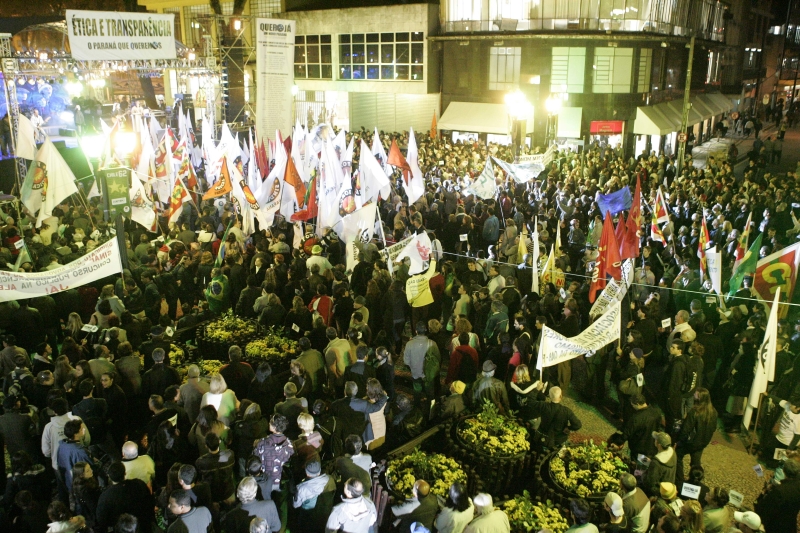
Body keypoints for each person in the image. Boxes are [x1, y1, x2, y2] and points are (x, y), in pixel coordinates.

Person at [675, 387, 717, 483]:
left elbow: (685, 430)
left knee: (678, 456)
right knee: (696, 461)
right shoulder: (713, 411)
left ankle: (680, 480)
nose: (694, 395)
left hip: (691, 443)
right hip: (703, 442)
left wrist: (678, 442)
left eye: (696, 394)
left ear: (699, 398)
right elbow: (714, 428)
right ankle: (695, 479)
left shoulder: (695, 412)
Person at [754, 457, 800, 533]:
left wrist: (764, 493)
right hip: (790, 523)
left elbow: (766, 509)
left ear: (784, 471)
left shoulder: (779, 491)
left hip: (776, 526)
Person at [621, 393, 663, 461]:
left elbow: (627, 432)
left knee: (637, 469)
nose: (633, 407)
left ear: (637, 404)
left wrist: (619, 441)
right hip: (652, 449)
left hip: (639, 450)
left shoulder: (637, 418)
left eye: (633, 405)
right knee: (644, 467)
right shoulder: (656, 413)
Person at [642, 432, 677, 497]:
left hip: (658, 491)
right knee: (642, 459)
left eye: (656, 440)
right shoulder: (673, 453)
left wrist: (643, 475)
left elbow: (650, 483)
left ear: (659, 445)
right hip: (669, 485)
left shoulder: (656, 463)